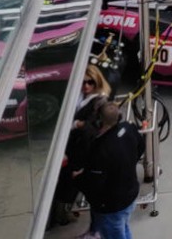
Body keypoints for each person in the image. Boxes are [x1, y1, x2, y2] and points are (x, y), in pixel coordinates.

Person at [72, 101, 143, 239]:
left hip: (112, 207)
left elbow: (94, 184)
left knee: (114, 234)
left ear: (99, 121)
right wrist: (125, 164)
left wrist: (78, 178)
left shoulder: (100, 149)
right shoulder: (128, 128)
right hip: (129, 195)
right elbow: (141, 147)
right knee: (123, 227)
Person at [53, 65, 112, 227]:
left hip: (80, 149)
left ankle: (61, 214)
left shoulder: (99, 101)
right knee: (65, 181)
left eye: (90, 82)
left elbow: (93, 129)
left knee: (70, 182)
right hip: (70, 144)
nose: (86, 86)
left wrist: (78, 125)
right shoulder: (78, 95)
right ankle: (60, 213)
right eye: (83, 82)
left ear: (97, 82)